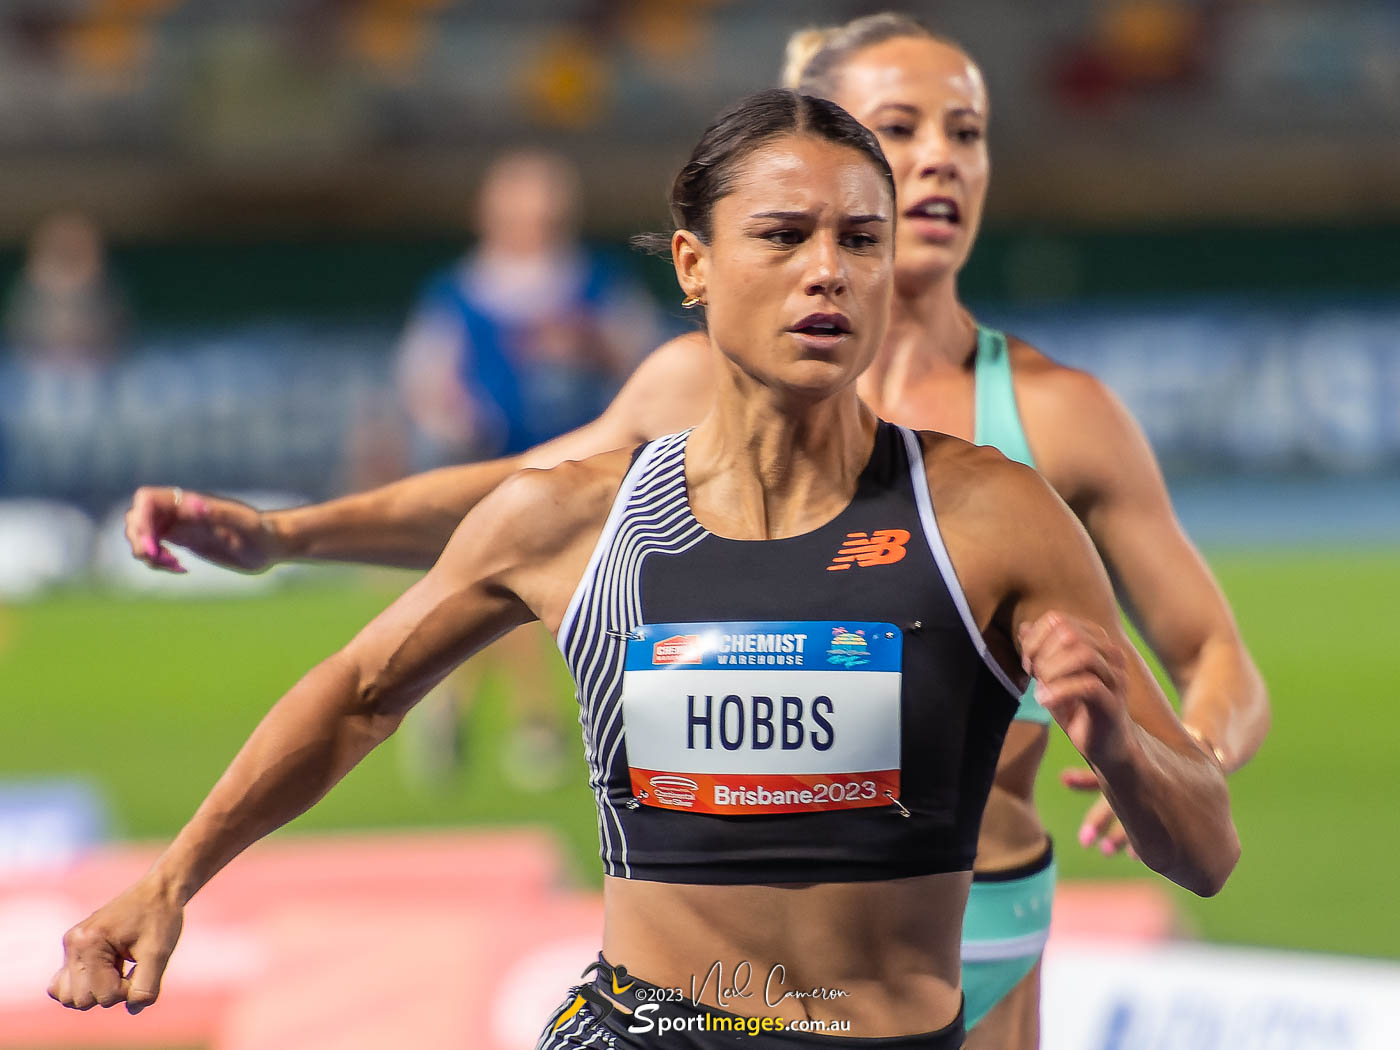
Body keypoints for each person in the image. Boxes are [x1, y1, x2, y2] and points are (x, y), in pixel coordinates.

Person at [120, 13, 1269, 1047]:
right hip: (654, 1014)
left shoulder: (1012, 483)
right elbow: (465, 553)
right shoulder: (628, 459)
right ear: (695, 264)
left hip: (963, 932)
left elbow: (1207, 772)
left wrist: (1132, 752)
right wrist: (289, 538)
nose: (932, 161)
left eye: (960, 134)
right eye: (893, 130)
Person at [393, 147, 662, 790]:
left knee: (557, 595)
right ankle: (534, 719)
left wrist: (591, 346)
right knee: (510, 584)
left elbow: (647, 362)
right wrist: (454, 417)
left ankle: (457, 701)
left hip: (587, 469)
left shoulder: (595, 283)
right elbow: (425, 377)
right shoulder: (461, 291)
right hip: (495, 468)